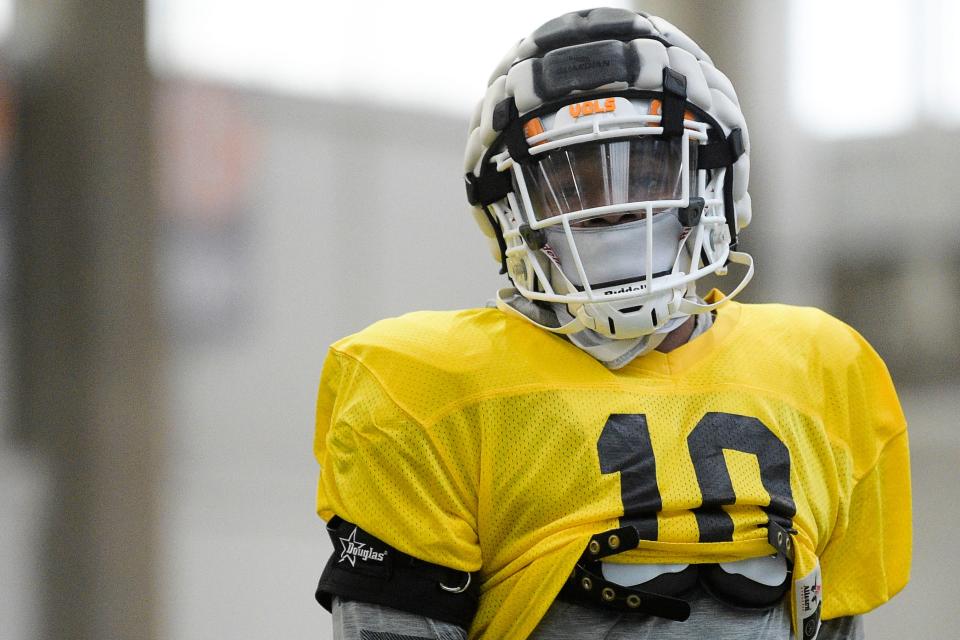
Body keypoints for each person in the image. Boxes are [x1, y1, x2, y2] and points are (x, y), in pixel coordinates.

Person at [312, 7, 911, 640]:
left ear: (715, 184)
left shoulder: (822, 367)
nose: (615, 208)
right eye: (573, 186)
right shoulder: (425, 387)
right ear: (510, 210)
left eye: (647, 169)